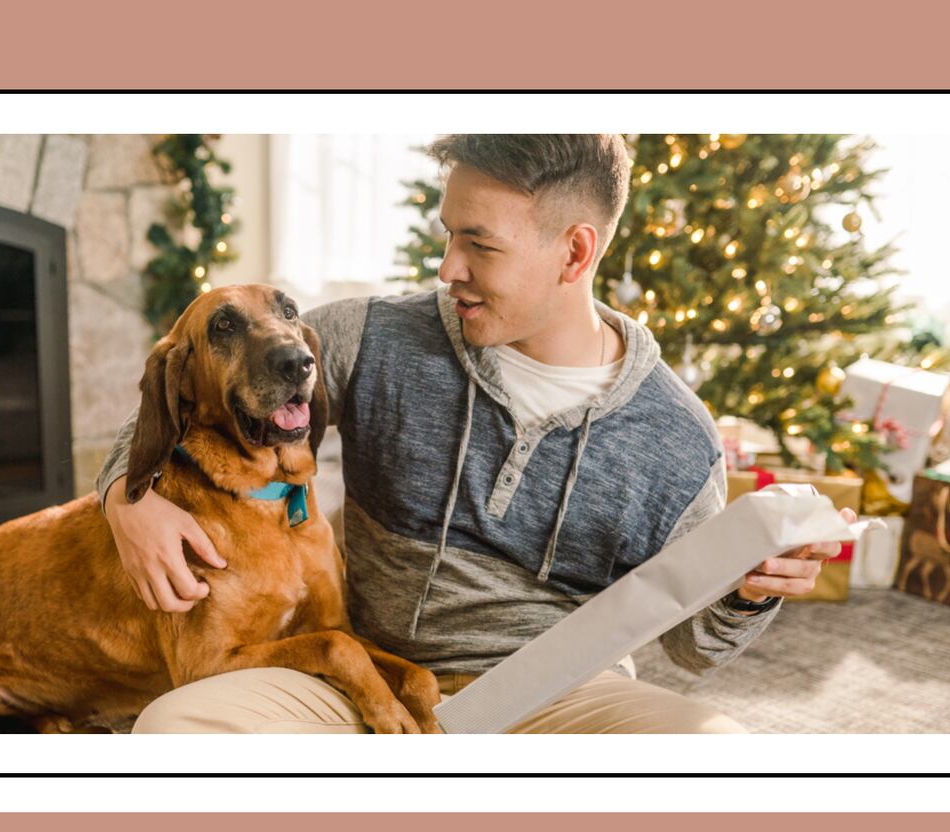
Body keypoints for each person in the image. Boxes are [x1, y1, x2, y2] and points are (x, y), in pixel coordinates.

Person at [96, 134, 852, 734]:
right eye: (450, 234)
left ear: (575, 252)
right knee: (176, 729)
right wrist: (126, 501)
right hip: (365, 680)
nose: (447, 266)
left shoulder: (676, 436)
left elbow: (695, 646)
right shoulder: (373, 336)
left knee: (716, 753)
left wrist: (750, 592)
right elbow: (168, 404)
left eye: (480, 245)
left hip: (560, 699)